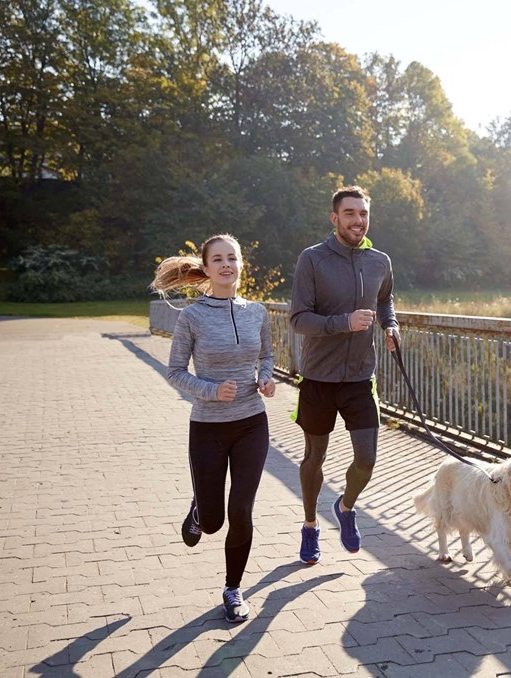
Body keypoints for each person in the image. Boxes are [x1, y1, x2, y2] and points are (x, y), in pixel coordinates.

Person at [150, 234, 276, 623]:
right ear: (206, 268)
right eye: (218, 259)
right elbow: (174, 372)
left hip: (252, 424)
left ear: (241, 265)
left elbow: (267, 355)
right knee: (213, 521)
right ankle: (199, 513)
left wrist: (266, 378)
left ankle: (233, 589)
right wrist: (212, 390)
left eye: (232, 258)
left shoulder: (257, 312)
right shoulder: (192, 317)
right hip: (208, 427)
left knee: (241, 510)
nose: (226, 265)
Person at [289, 185, 399, 566]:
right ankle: (309, 525)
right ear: (334, 218)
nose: (358, 220)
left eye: (363, 213)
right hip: (318, 378)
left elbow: (384, 300)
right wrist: (344, 323)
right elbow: (299, 319)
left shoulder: (380, 261)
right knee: (314, 457)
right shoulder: (312, 260)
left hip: (360, 378)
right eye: (350, 213)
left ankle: (345, 506)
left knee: (366, 459)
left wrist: (390, 325)